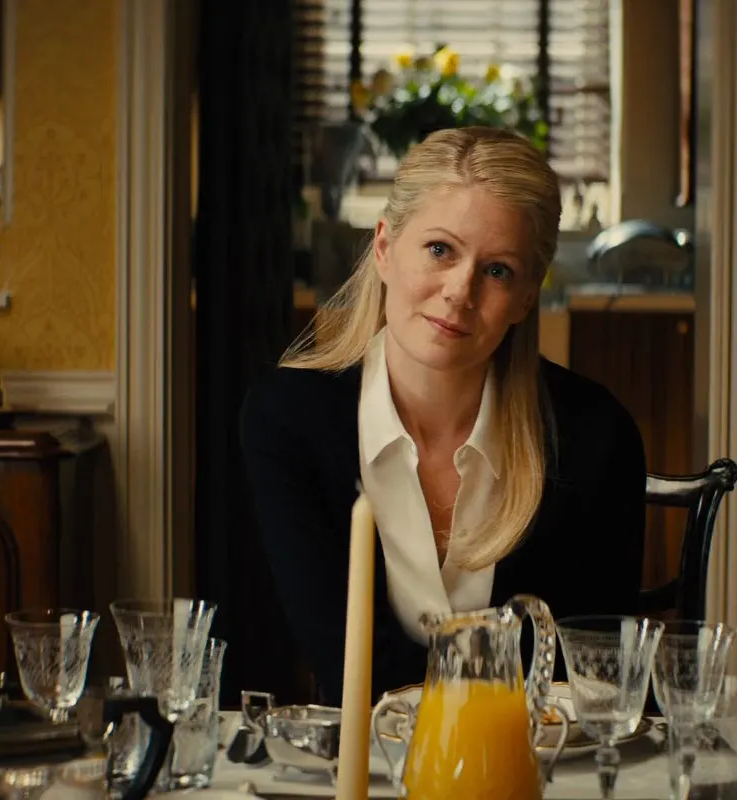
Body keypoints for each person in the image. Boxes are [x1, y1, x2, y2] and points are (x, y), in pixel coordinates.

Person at [239, 126, 647, 701]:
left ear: (526, 297)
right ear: (384, 248)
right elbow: (341, 660)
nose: (460, 290)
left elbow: (589, 680)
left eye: (498, 270)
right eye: (440, 249)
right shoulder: (288, 419)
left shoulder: (596, 437)